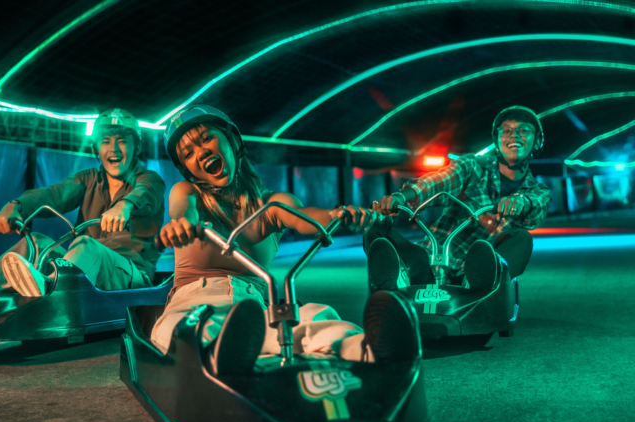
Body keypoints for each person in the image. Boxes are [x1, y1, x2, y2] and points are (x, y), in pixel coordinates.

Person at [150, 105, 420, 375]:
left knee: (312, 316)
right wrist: (180, 225)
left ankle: (368, 347)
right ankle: (228, 353)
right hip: (196, 299)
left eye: (207, 138)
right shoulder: (187, 192)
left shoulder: (271, 205)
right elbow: (181, 210)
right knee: (176, 328)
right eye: (188, 154)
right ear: (187, 169)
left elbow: (306, 218)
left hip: (254, 306)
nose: (201, 153)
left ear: (231, 140)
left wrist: (338, 215)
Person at [0, 108, 166, 297]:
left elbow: (145, 193)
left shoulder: (150, 180)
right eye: (106, 141)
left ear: (136, 147)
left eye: (122, 141)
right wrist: (16, 206)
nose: (114, 149)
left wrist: (125, 205)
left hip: (131, 274)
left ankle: (49, 286)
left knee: (85, 244)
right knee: (36, 241)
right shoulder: (87, 179)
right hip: (83, 269)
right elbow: (55, 195)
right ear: (96, 148)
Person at [367, 105, 552, 293]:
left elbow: (535, 205)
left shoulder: (538, 191)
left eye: (524, 131)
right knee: (377, 230)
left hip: (477, 271)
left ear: (537, 142)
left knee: (523, 239)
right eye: (506, 131)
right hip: (431, 262)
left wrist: (521, 202)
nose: (514, 136)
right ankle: (400, 277)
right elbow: (440, 181)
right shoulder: (472, 166)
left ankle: (480, 281)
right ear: (497, 140)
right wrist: (401, 196)